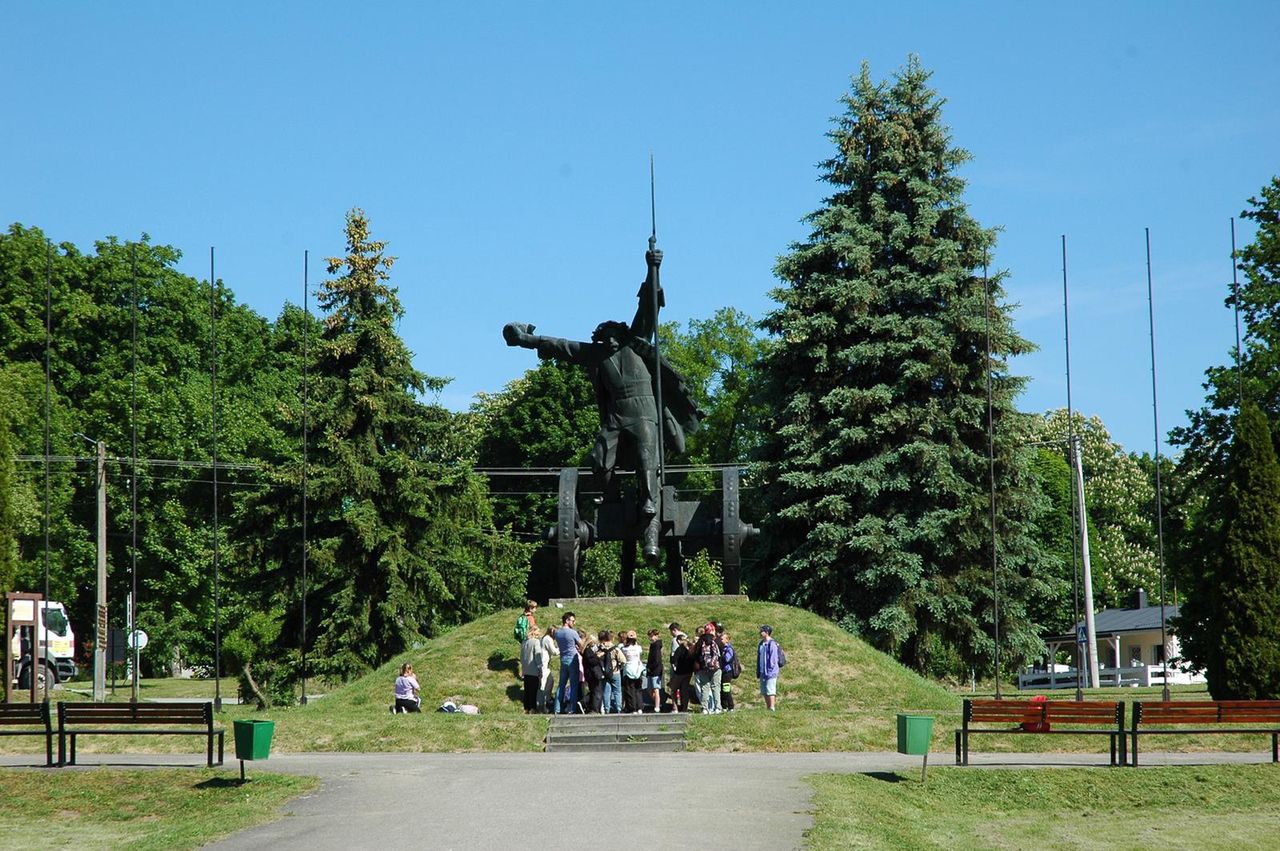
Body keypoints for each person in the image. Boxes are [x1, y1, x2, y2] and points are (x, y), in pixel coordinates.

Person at [502, 249, 701, 561]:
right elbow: (561, 347)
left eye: (612, 335)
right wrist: (526, 340)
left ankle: (649, 529)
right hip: (616, 418)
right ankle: (612, 501)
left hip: (646, 416)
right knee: (599, 462)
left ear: (621, 334)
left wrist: (652, 269)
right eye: (603, 337)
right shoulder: (596, 355)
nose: (608, 341)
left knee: (648, 465)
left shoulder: (634, 341)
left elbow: (648, 306)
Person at [554, 612, 584, 714]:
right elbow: (581, 645)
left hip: (563, 659)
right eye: (573, 620)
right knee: (574, 685)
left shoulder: (557, 633)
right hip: (572, 660)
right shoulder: (573, 632)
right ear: (567, 620)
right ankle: (572, 708)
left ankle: (557, 709)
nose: (574, 623)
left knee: (561, 685)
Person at [694, 621, 722, 714]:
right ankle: (717, 707)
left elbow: (696, 654)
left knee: (704, 688)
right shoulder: (714, 641)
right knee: (716, 687)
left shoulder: (700, 641)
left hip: (703, 667)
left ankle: (704, 708)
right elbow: (717, 653)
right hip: (715, 667)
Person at [520, 627, 548, 713]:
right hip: (534, 669)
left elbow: (521, 656)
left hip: (526, 669)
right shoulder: (536, 642)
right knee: (533, 690)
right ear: (534, 632)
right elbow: (537, 655)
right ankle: (533, 708)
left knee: (527, 690)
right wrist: (540, 667)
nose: (539, 634)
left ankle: (526, 708)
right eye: (538, 632)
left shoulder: (524, 642)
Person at [757, 625, 782, 711]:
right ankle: (768, 707)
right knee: (764, 690)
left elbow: (773, 658)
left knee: (770, 689)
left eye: (761, 631)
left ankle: (772, 707)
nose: (760, 632)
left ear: (767, 632)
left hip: (770, 671)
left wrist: (770, 670)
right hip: (762, 670)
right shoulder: (761, 644)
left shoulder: (772, 643)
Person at [668, 632, 694, 712]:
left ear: (679, 641)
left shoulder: (679, 649)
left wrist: (671, 656)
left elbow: (673, 660)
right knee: (684, 690)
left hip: (680, 673)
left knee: (673, 689)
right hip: (689, 672)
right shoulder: (690, 649)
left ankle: (675, 707)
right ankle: (684, 708)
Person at [620, 629, 645, 713]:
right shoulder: (639, 648)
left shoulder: (624, 649)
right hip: (638, 669)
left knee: (630, 690)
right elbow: (640, 652)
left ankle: (632, 707)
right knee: (638, 689)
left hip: (628, 669)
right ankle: (640, 707)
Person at [599, 630, 624, 714]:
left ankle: (607, 709)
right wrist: (619, 667)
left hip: (605, 673)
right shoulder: (615, 649)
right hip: (615, 672)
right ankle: (618, 709)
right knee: (617, 691)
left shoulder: (600, 648)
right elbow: (623, 660)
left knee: (606, 691)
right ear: (612, 638)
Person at [539, 624, 559, 713]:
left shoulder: (546, 638)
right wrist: (562, 648)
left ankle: (547, 700)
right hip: (543, 664)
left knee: (550, 681)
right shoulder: (547, 639)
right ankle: (544, 702)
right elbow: (554, 652)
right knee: (545, 683)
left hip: (545, 663)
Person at [644, 628, 664, 713]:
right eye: (650, 636)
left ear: (656, 636)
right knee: (649, 689)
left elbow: (656, 659)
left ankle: (657, 706)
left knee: (656, 689)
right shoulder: (653, 645)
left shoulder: (656, 645)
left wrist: (650, 667)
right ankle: (657, 703)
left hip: (655, 670)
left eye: (652, 636)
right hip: (651, 670)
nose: (651, 638)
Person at [718, 630, 738, 712]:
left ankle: (731, 706)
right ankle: (724, 706)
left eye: (722, 639)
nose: (721, 640)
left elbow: (728, 659)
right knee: (722, 689)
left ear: (727, 640)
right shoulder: (723, 648)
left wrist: (721, 656)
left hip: (728, 671)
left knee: (726, 689)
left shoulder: (729, 649)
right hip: (723, 671)